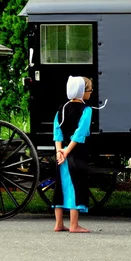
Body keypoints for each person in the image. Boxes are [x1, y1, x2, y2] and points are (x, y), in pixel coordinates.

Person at [52, 76, 93, 233]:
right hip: (75, 154)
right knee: (76, 185)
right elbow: (80, 133)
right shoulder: (86, 110)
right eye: (89, 90)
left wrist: (59, 151)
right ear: (82, 92)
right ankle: (74, 225)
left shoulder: (61, 109)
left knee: (61, 187)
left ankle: (59, 223)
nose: (91, 92)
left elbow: (57, 131)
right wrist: (67, 151)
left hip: (61, 155)